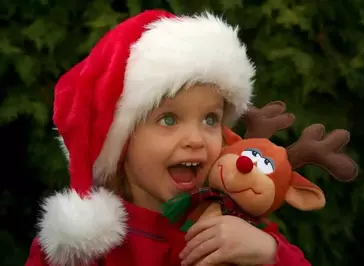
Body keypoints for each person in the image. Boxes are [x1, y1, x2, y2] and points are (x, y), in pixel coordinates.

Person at [25, 9, 311, 266]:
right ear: (123, 139)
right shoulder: (85, 252)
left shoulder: (233, 223)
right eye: (169, 119)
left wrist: (270, 252)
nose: (196, 139)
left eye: (210, 119)